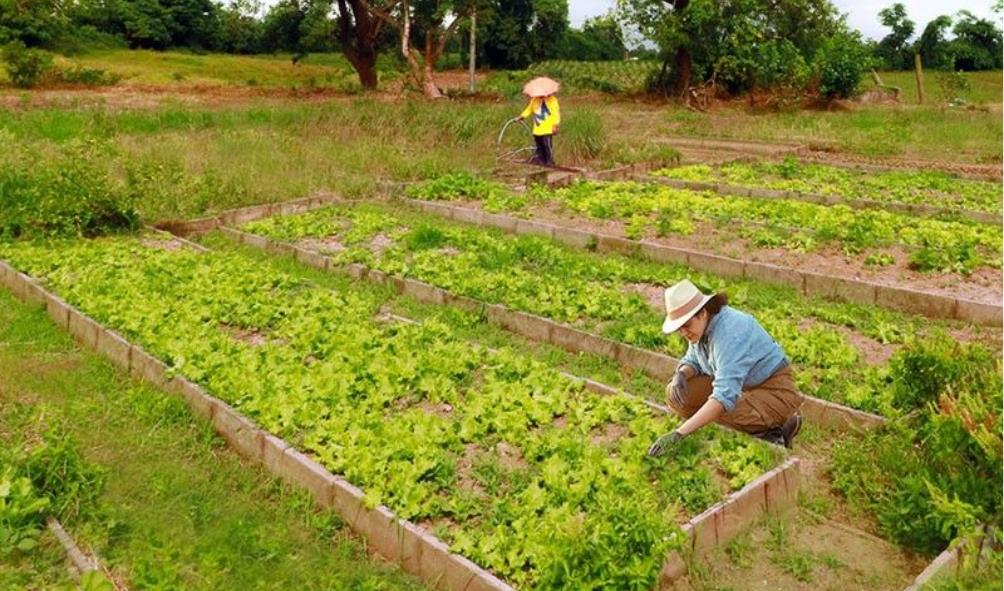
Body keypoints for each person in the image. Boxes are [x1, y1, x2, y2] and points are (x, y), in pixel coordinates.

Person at [647, 279, 803, 457]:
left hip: (773, 389)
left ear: (702, 313)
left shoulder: (730, 334)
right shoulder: (702, 328)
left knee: (718, 415)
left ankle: (777, 428)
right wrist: (681, 375)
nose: (683, 333)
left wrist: (678, 434)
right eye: (679, 329)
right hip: (742, 386)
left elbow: (723, 398)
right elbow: (694, 360)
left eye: (686, 325)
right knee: (676, 395)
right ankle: (756, 419)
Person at [516, 93, 560, 166]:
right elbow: (529, 109)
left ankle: (550, 161)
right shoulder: (534, 100)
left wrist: (555, 125)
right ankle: (541, 161)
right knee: (539, 146)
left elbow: (556, 113)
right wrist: (522, 116)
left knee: (547, 145)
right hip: (537, 128)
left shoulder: (553, 100)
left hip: (547, 128)